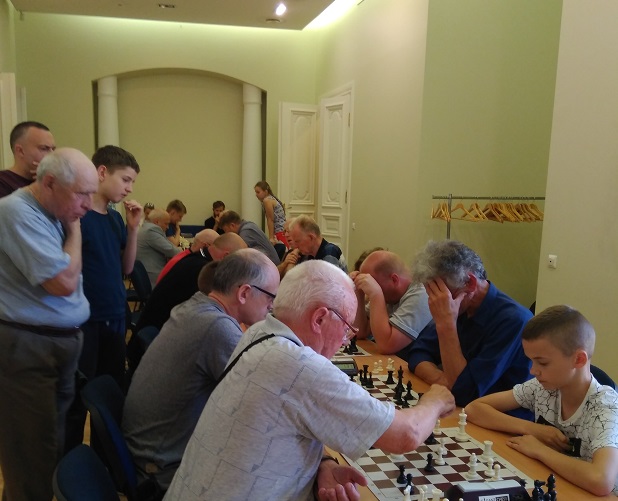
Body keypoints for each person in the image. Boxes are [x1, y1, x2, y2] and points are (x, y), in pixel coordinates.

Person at [164, 260, 455, 501]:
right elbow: (405, 434)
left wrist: (322, 463)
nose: (345, 341)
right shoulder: (300, 366)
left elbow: (280, 423)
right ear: (319, 319)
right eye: (346, 328)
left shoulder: (259, 332)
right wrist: (435, 400)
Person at [124, 249, 280, 492]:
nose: (272, 306)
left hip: (149, 448)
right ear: (244, 293)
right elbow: (265, 400)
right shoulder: (217, 327)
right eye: (271, 296)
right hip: (162, 468)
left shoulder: (197, 305)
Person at [0, 148, 98, 501]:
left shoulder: (54, 211)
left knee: (49, 445)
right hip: (28, 347)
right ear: (50, 183)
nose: (88, 204)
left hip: (52, 345)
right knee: (30, 456)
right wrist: (74, 230)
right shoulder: (16, 211)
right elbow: (63, 282)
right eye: (82, 194)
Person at [466, 305, 618, 496]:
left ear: (579, 359)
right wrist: (531, 429)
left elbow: (601, 480)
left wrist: (540, 450)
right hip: (556, 483)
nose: (533, 370)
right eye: (531, 361)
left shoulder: (605, 406)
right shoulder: (543, 387)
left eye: (542, 363)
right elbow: (474, 409)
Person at [64, 145, 143, 451]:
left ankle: (102, 461)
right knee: (77, 399)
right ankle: (70, 465)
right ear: (101, 172)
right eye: (125, 179)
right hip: (85, 320)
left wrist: (133, 230)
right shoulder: (77, 217)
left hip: (114, 314)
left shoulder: (114, 219)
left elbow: (126, 268)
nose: (129, 188)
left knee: (109, 395)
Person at [407, 240, 533, 408]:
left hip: (498, 418)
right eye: (430, 292)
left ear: (470, 283)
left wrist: (447, 326)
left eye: (439, 292)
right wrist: (442, 379)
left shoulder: (514, 320)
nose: (434, 301)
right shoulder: (460, 306)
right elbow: (417, 354)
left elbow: (465, 393)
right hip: (462, 410)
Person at [132, 233, 247, 336]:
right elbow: (214, 317)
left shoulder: (195, 259)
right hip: (161, 335)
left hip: (155, 328)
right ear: (226, 256)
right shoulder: (203, 271)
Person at [351, 250, 432, 358]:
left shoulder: (421, 294)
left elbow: (386, 346)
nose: (369, 290)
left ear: (394, 279)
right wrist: (358, 291)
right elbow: (360, 332)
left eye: (373, 284)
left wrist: (376, 294)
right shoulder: (389, 296)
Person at [0, 121, 56, 198]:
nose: (52, 154)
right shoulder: (3, 182)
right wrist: (39, 185)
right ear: (20, 151)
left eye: (53, 149)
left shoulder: (53, 181)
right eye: (44, 148)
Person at [137, 208, 182, 287]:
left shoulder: (146, 227)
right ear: (156, 222)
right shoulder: (151, 231)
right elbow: (172, 250)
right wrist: (181, 250)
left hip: (146, 273)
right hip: (153, 276)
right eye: (166, 224)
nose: (167, 227)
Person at [254, 180, 286, 246]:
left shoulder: (267, 200)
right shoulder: (271, 199)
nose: (256, 195)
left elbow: (270, 219)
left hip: (279, 231)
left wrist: (271, 237)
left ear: (265, 192)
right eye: (255, 192)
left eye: (258, 192)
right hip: (282, 230)